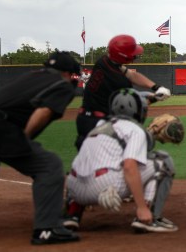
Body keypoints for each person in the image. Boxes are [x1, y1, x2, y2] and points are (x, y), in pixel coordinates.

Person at [0, 51, 82, 245]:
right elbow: (43, 111)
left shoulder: (31, 76)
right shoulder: (62, 85)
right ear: (68, 73)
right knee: (49, 166)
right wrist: (24, 139)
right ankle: (47, 229)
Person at [66, 34, 172, 229]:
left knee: (85, 158)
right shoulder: (116, 81)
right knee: (128, 156)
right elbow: (131, 102)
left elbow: (132, 74)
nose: (135, 57)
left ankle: (73, 211)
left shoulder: (105, 62)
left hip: (87, 118)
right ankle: (126, 196)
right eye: (132, 54)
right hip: (98, 119)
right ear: (124, 55)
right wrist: (154, 97)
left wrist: (155, 87)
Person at [66, 88, 178, 233]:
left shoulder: (99, 125)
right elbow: (129, 166)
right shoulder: (134, 129)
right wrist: (141, 208)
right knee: (162, 161)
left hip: (75, 189)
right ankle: (149, 216)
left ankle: (72, 214)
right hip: (106, 187)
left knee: (81, 167)